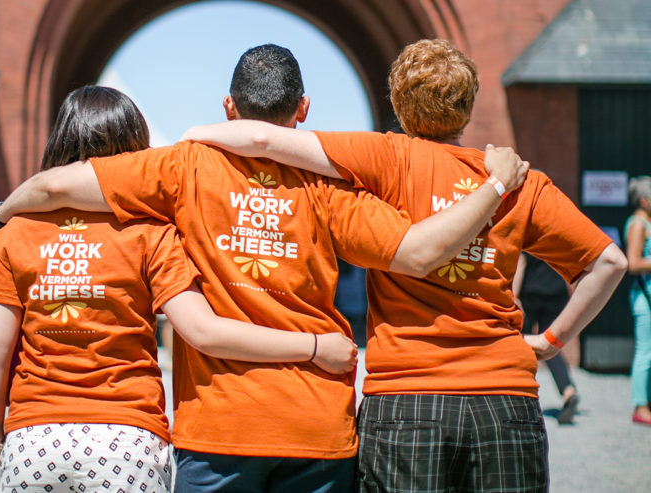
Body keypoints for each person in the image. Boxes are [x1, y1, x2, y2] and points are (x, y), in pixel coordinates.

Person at [0, 44, 527, 493]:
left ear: (228, 106)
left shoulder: (183, 166)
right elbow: (417, 251)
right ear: (304, 109)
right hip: (316, 426)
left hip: (218, 427)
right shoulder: (328, 187)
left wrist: (2, 213)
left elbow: (57, 185)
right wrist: (493, 187)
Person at [184, 39, 627, 492]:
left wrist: (191, 139)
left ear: (398, 104)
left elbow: (263, 137)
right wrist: (552, 341)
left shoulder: (387, 157)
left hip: (406, 397)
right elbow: (609, 263)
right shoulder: (522, 184)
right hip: (505, 398)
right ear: (468, 107)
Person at [0, 85, 359, 493]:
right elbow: (201, 329)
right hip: (125, 437)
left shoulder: (16, 234)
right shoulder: (152, 233)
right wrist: (316, 347)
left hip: (34, 435)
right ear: (135, 152)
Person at [514, 252, 580, 424]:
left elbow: (520, 264)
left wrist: (513, 296)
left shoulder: (527, 237)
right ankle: (568, 390)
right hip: (556, 292)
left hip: (531, 292)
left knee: (520, 344)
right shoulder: (553, 237)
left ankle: (519, 397)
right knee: (550, 345)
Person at [624, 175, 651, 426]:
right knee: (645, 351)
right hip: (644, 297)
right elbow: (633, 263)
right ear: (644, 200)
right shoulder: (637, 224)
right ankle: (640, 407)